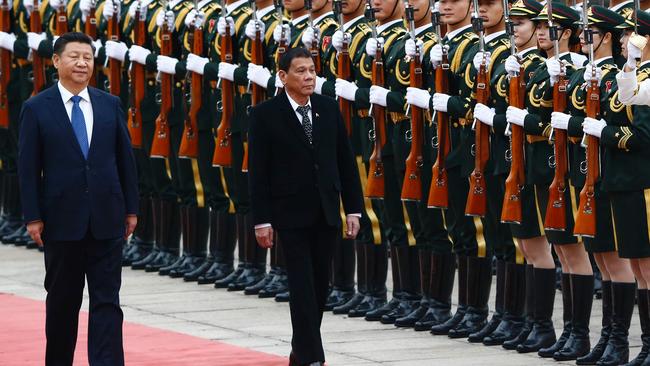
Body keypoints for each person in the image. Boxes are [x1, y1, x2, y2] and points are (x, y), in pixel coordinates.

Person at [17, 32, 138, 366]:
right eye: (74, 56)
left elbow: (124, 160)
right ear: (56, 61)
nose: (83, 63)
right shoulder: (36, 108)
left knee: (107, 302)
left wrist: (131, 208)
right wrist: (32, 216)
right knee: (62, 303)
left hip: (106, 218)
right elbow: (27, 169)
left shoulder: (108, 103)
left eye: (88, 56)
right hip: (61, 221)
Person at [248, 47, 363, 366]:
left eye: (312, 70)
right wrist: (262, 220)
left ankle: (301, 351)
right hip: (289, 214)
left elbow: (345, 162)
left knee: (320, 285)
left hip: (326, 211)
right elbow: (258, 173)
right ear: (283, 76)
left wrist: (353, 209)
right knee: (301, 285)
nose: (309, 76)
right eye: (300, 71)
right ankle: (314, 357)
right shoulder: (264, 115)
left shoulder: (328, 108)